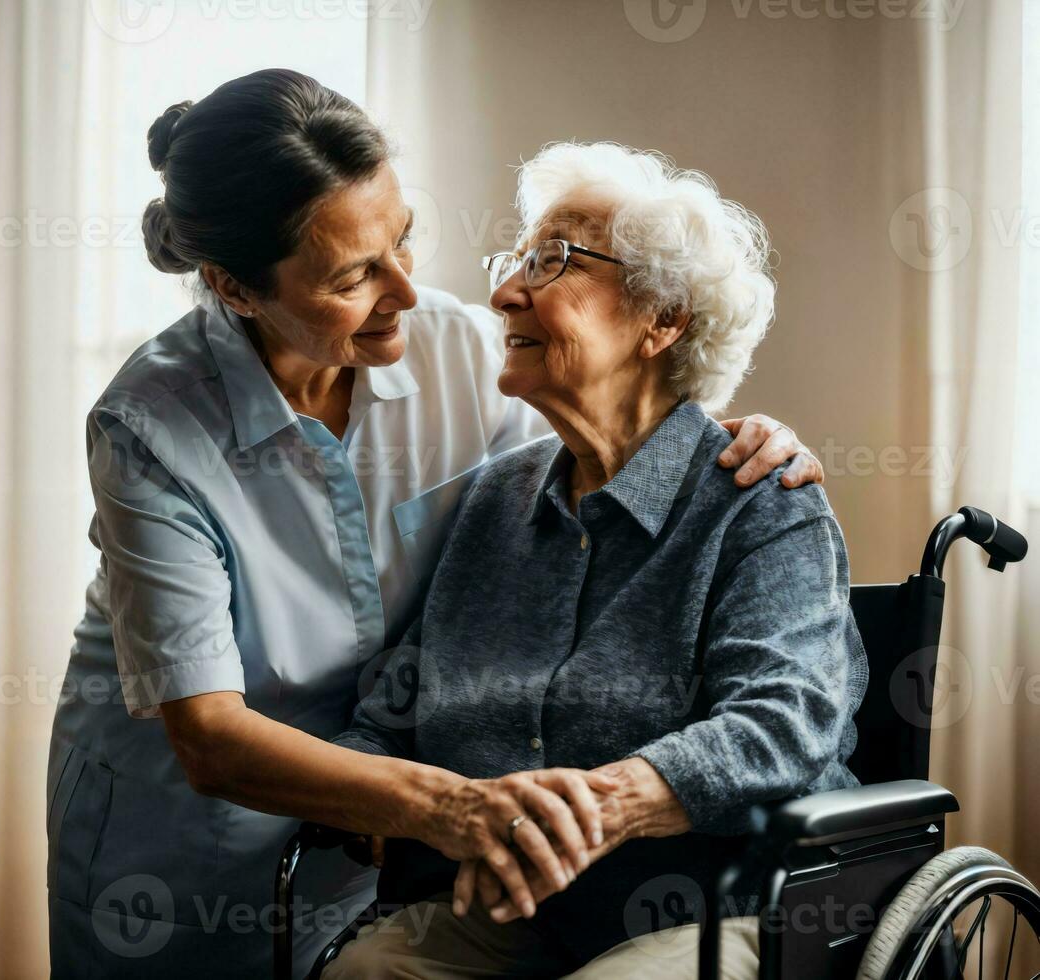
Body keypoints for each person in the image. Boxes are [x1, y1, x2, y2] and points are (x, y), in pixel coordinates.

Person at [46, 69, 825, 978]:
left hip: (444, 845)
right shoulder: (151, 425)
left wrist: (727, 439)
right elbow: (213, 737)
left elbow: (626, 442)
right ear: (234, 287)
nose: (409, 295)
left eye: (403, 242)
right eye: (351, 276)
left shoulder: (463, 360)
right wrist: (446, 806)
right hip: (200, 831)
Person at [326, 141, 867, 979]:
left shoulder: (760, 499)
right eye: (514, 261)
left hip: (725, 902)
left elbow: (782, 724)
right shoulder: (492, 500)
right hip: (519, 907)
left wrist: (600, 806)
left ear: (662, 318)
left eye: (553, 261)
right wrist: (363, 790)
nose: (505, 292)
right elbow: (403, 702)